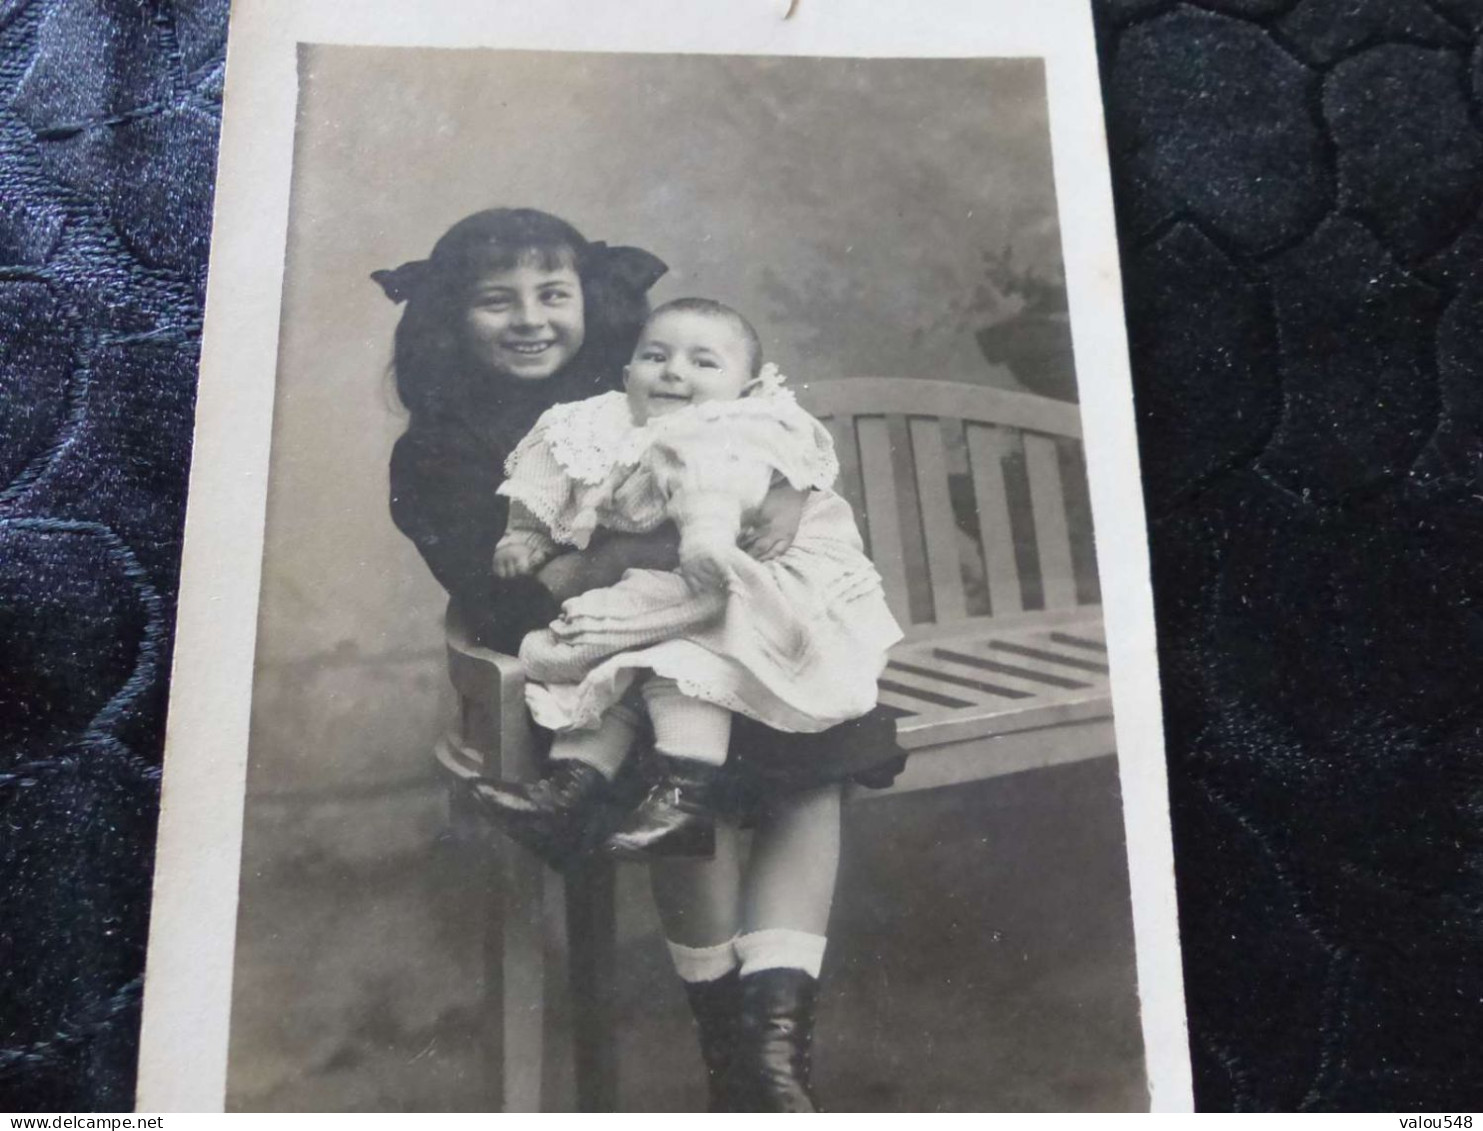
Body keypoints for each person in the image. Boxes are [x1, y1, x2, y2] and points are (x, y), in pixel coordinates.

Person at [378, 208, 908, 1111]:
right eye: (495, 302)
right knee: (691, 766)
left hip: (718, 622)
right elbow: (508, 592)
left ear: (593, 303)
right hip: (580, 661)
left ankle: (769, 1064)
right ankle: (730, 1053)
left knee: (810, 759)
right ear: (447, 318)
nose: (530, 319)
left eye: (554, 295)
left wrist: (783, 491)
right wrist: (643, 552)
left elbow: (762, 434)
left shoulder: (641, 379)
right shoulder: (439, 445)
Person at [481, 297, 901, 861]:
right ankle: (569, 786)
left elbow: (715, 495)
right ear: (629, 375)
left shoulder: (735, 427)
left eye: (703, 363)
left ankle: (683, 795)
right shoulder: (598, 424)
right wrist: (527, 536)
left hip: (753, 584)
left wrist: (708, 540)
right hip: (673, 581)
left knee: (683, 668)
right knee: (615, 666)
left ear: (748, 390)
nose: (674, 371)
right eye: (656, 356)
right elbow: (550, 485)